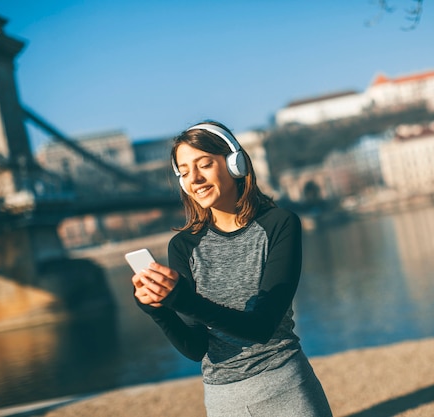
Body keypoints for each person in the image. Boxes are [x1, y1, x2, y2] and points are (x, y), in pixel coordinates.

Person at [131, 121, 333, 416]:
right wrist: (157, 308)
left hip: (287, 390)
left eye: (204, 165)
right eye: (184, 172)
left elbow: (261, 326)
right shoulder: (182, 247)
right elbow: (195, 347)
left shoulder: (279, 224)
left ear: (235, 164)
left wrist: (183, 300)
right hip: (224, 402)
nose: (195, 179)